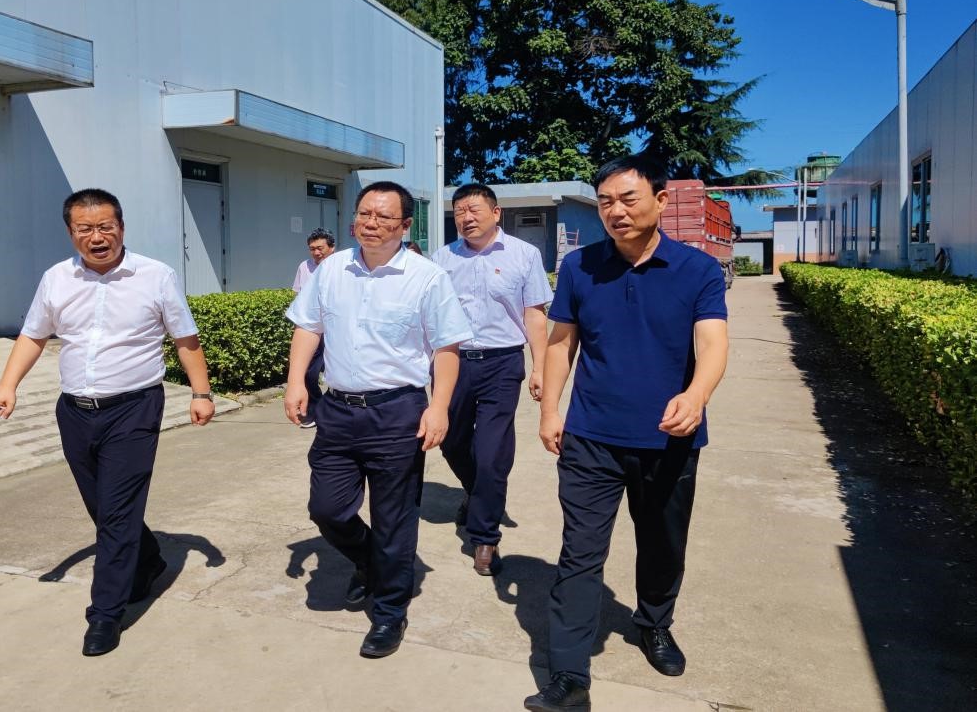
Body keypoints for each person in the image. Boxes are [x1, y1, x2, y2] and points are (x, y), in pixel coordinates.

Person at [524, 158, 729, 711]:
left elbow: (712, 342)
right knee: (579, 553)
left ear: (660, 200)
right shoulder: (579, 267)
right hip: (591, 437)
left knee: (662, 544)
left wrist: (696, 395)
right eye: (605, 202)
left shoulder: (697, 270)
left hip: (669, 440)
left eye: (628, 198)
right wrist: (550, 411)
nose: (615, 211)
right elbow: (561, 343)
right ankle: (569, 675)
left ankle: (654, 623)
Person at [0, 188, 215, 658]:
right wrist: (7, 386)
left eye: (106, 227)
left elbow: (185, 337)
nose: (97, 237)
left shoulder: (156, 276)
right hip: (74, 411)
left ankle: (105, 614)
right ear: (71, 233)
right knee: (103, 507)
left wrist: (201, 393)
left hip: (134, 408)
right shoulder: (56, 279)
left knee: (115, 512)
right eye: (85, 229)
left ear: (122, 228)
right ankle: (147, 560)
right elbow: (33, 335)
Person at [284, 180, 472, 659]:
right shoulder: (331, 270)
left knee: (394, 519)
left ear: (405, 225)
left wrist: (439, 407)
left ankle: (389, 610)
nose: (370, 223)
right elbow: (308, 326)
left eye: (383, 217)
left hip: (398, 413)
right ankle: (369, 560)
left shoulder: (427, 278)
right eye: (364, 214)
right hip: (338, 410)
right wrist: (295, 381)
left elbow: (447, 348)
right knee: (327, 509)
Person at [432, 184, 552, 576]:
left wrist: (540, 366)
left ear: (496, 213)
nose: (466, 218)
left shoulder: (524, 254)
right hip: (453, 362)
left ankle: (484, 536)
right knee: (451, 441)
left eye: (474, 209)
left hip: (502, 363)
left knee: (492, 451)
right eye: (459, 211)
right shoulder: (442, 259)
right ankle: (477, 491)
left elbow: (534, 315)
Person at [292, 228, 336, 429]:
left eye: (320, 248)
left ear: (332, 248)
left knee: (338, 375)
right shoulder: (305, 267)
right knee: (308, 374)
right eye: (312, 249)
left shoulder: (341, 267)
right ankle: (316, 410)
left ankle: (333, 410)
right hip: (312, 331)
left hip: (336, 331)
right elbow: (298, 296)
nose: (316, 252)